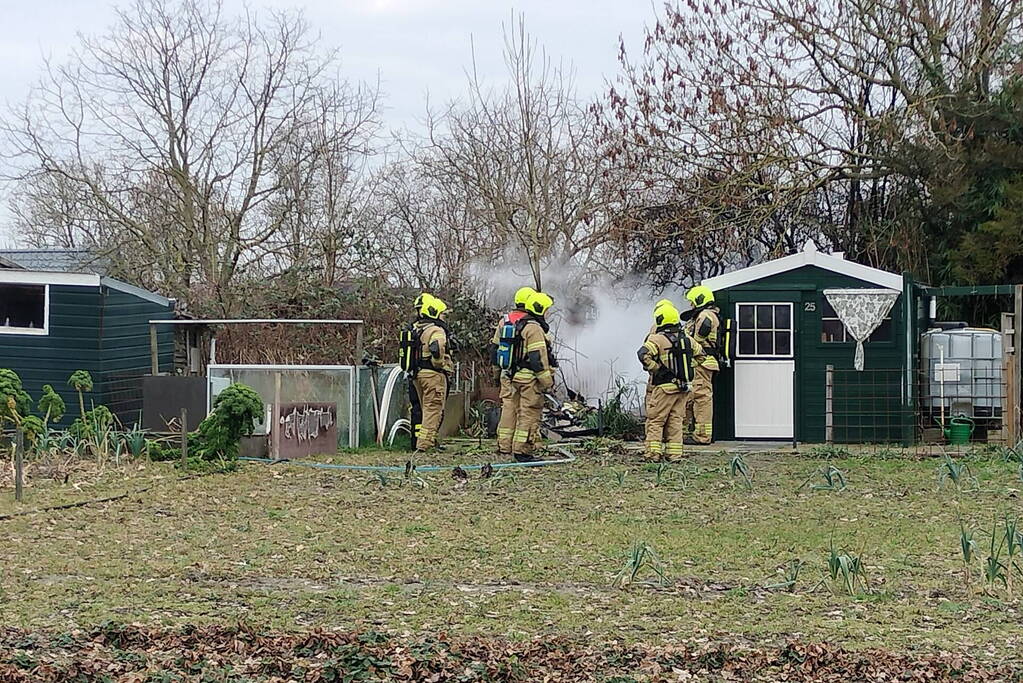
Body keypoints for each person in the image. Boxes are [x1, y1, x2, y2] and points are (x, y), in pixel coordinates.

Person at [495, 290, 555, 462]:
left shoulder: (506, 323)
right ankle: (523, 451)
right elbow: (537, 357)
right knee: (529, 412)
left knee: (509, 409)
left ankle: (504, 445)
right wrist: (546, 381)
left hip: (509, 375)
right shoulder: (533, 328)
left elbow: (494, 350)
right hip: (528, 378)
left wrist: (497, 374)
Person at [638, 301, 695, 462]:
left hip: (664, 388)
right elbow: (701, 354)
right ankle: (675, 455)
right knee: (676, 421)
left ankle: (653, 454)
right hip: (683, 389)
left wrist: (656, 369)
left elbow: (642, 354)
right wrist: (691, 369)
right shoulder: (687, 339)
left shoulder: (657, 339)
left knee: (656, 420)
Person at [402, 294, 453, 452]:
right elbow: (437, 348)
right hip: (432, 375)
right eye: (443, 314)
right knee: (433, 409)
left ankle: (423, 442)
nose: (444, 318)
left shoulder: (417, 328)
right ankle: (424, 445)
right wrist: (439, 364)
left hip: (418, 375)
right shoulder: (436, 330)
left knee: (425, 409)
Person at [683, 285, 721, 445]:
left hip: (703, 362)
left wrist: (683, 339)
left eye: (692, 303)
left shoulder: (706, 315)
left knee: (701, 398)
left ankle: (702, 437)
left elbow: (699, 337)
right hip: (701, 362)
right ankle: (695, 433)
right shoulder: (706, 314)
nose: (691, 306)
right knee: (695, 397)